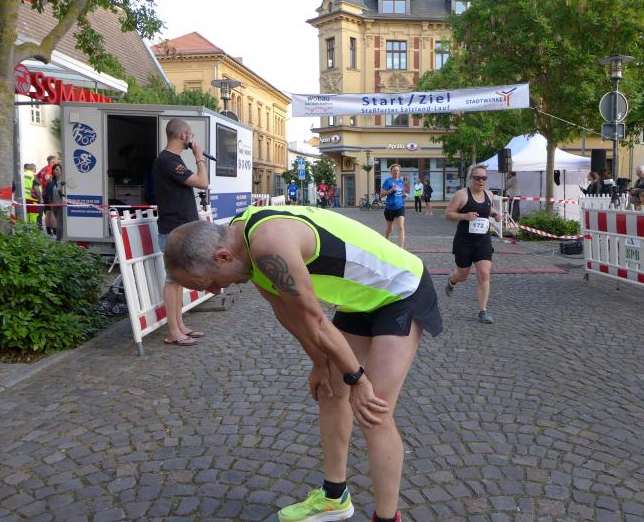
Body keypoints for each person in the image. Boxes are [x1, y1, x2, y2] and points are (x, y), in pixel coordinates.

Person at [163, 206, 442, 522]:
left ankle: (388, 518)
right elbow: (286, 310)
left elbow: (315, 320)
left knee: (374, 409)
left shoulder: (268, 244)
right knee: (330, 392)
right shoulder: (243, 249)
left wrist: (358, 379)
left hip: (401, 290)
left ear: (223, 256)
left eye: (209, 282)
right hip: (360, 298)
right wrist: (320, 363)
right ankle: (334, 498)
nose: (215, 291)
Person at [152, 117, 209, 346]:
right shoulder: (167, 161)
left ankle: (180, 326)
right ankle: (174, 331)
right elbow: (202, 182)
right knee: (172, 280)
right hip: (173, 230)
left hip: (181, 230)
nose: (191, 139)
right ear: (184, 135)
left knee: (178, 280)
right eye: (191, 135)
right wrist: (199, 157)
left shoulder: (172, 160)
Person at [444, 164, 502, 324]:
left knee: (484, 274)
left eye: (484, 178)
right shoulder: (461, 195)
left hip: (483, 241)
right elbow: (448, 214)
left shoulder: (489, 194)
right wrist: (464, 216)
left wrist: (496, 214)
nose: (481, 181)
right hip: (464, 241)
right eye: (477, 178)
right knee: (463, 274)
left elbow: (488, 210)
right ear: (471, 178)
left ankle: (482, 311)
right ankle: (452, 280)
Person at [380, 164, 406, 248]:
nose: (396, 172)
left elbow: (401, 193)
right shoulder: (388, 181)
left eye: (397, 170)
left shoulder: (401, 182)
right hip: (390, 208)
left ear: (399, 172)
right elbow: (381, 195)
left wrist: (404, 195)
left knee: (401, 227)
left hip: (400, 207)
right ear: (391, 172)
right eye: (394, 170)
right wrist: (390, 190)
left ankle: (401, 248)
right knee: (389, 228)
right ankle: (386, 245)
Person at [43, 164, 65, 240]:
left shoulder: (64, 180)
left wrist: (62, 192)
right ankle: (60, 237)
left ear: (61, 170)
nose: (55, 171)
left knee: (59, 221)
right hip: (54, 205)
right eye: (54, 169)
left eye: (57, 169)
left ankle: (58, 239)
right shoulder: (52, 181)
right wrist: (50, 202)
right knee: (59, 221)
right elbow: (48, 192)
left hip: (62, 205)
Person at [36, 155, 57, 233]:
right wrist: (49, 183)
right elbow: (47, 177)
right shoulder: (50, 168)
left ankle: (48, 229)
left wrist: (41, 183)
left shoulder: (43, 168)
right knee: (53, 211)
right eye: (56, 160)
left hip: (44, 192)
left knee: (48, 211)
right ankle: (54, 230)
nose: (56, 162)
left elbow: (36, 176)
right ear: (53, 161)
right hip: (50, 192)